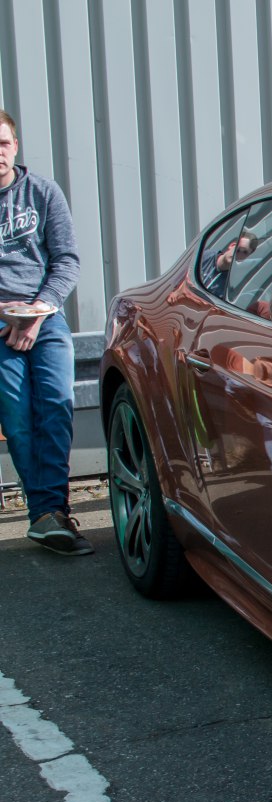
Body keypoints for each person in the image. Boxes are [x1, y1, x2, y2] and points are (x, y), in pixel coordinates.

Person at [0, 109, 89, 555]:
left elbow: (67, 259)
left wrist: (37, 311)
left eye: (3, 143)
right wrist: (8, 315)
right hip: (0, 322)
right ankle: (46, 514)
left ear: (15, 146)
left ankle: (50, 511)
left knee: (56, 406)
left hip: (46, 317)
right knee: (17, 416)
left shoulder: (42, 192)